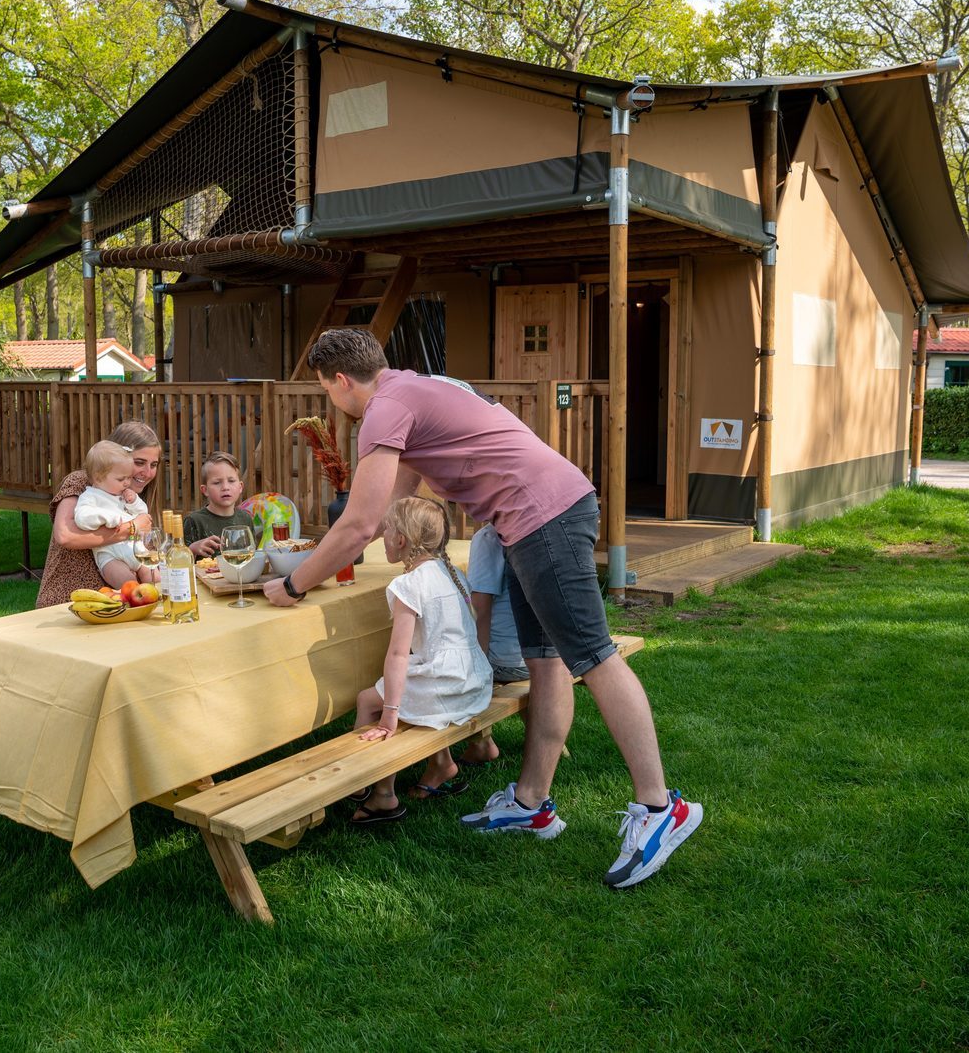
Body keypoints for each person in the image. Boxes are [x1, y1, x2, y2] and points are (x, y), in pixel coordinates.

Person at [264, 327, 702, 888]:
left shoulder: (384, 408)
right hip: (534, 517)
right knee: (545, 659)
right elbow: (390, 503)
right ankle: (531, 802)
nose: (332, 401)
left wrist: (296, 583)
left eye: (327, 390)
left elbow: (362, 523)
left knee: (594, 658)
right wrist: (336, 548)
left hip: (543, 515)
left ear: (340, 381)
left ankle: (660, 808)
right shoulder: (414, 389)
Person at [348, 497, 493, 825]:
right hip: (472, 681)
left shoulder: (408, 584)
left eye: (387, 529)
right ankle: (441, 764)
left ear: (400, 540)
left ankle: (376, 790)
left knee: (369, 700)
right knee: (408, 687)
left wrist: (389, 715)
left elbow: (398, 654)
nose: (383, 535)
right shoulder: (451, 571)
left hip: (447, 686)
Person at [37, 421, 164, 609]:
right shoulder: (83, 482)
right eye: (139, 462)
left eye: (153, 465)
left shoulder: (130, 495)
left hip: (118, 603)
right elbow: (65, 535)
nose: (147, 472)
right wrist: (132, 528)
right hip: (69, 602)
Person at [459, 522, 528, 768]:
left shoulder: (488, 537)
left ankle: (480, 744)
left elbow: (480, 610)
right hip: (545, 656)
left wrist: (477, 669)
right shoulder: (534, 526)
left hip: (507, 662)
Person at [72, 440, 157, 588]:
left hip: (135, 549)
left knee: (156, 579)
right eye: (121, 479)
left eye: (128, 478)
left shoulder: (122, 493)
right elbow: (82, 518)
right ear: (98, 478)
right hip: (109, 554)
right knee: (128, 584)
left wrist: (134, 502)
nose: (126, 483)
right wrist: (108, 518)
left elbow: (143, 514)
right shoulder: (91, 496)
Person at [182, 451, 260, 558]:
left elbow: (252, 556)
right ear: (205, 490)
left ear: (240, 487)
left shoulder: (246, 519)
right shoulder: (194, 521)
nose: (225, 487)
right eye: (217, 482)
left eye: (231, 481)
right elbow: (178, 562)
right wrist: (192, 549)